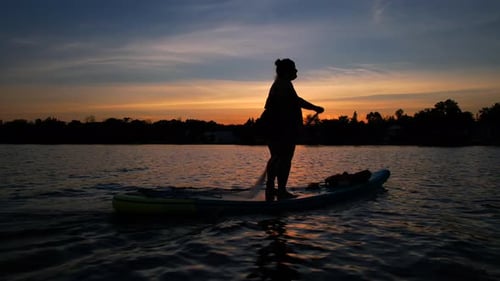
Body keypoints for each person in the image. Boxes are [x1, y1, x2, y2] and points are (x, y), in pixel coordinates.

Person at [263, 58, 324, 201]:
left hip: (274, 128)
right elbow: (296, 102)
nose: (296, 71)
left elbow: (295, 102)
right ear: (286, 71)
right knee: (284, 159)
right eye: (294, 69)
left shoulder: (281, 84)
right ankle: (281, 191)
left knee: (276, 158)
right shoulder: (283, 85)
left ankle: (271, 189)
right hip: (281, 130)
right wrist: (315, 108)